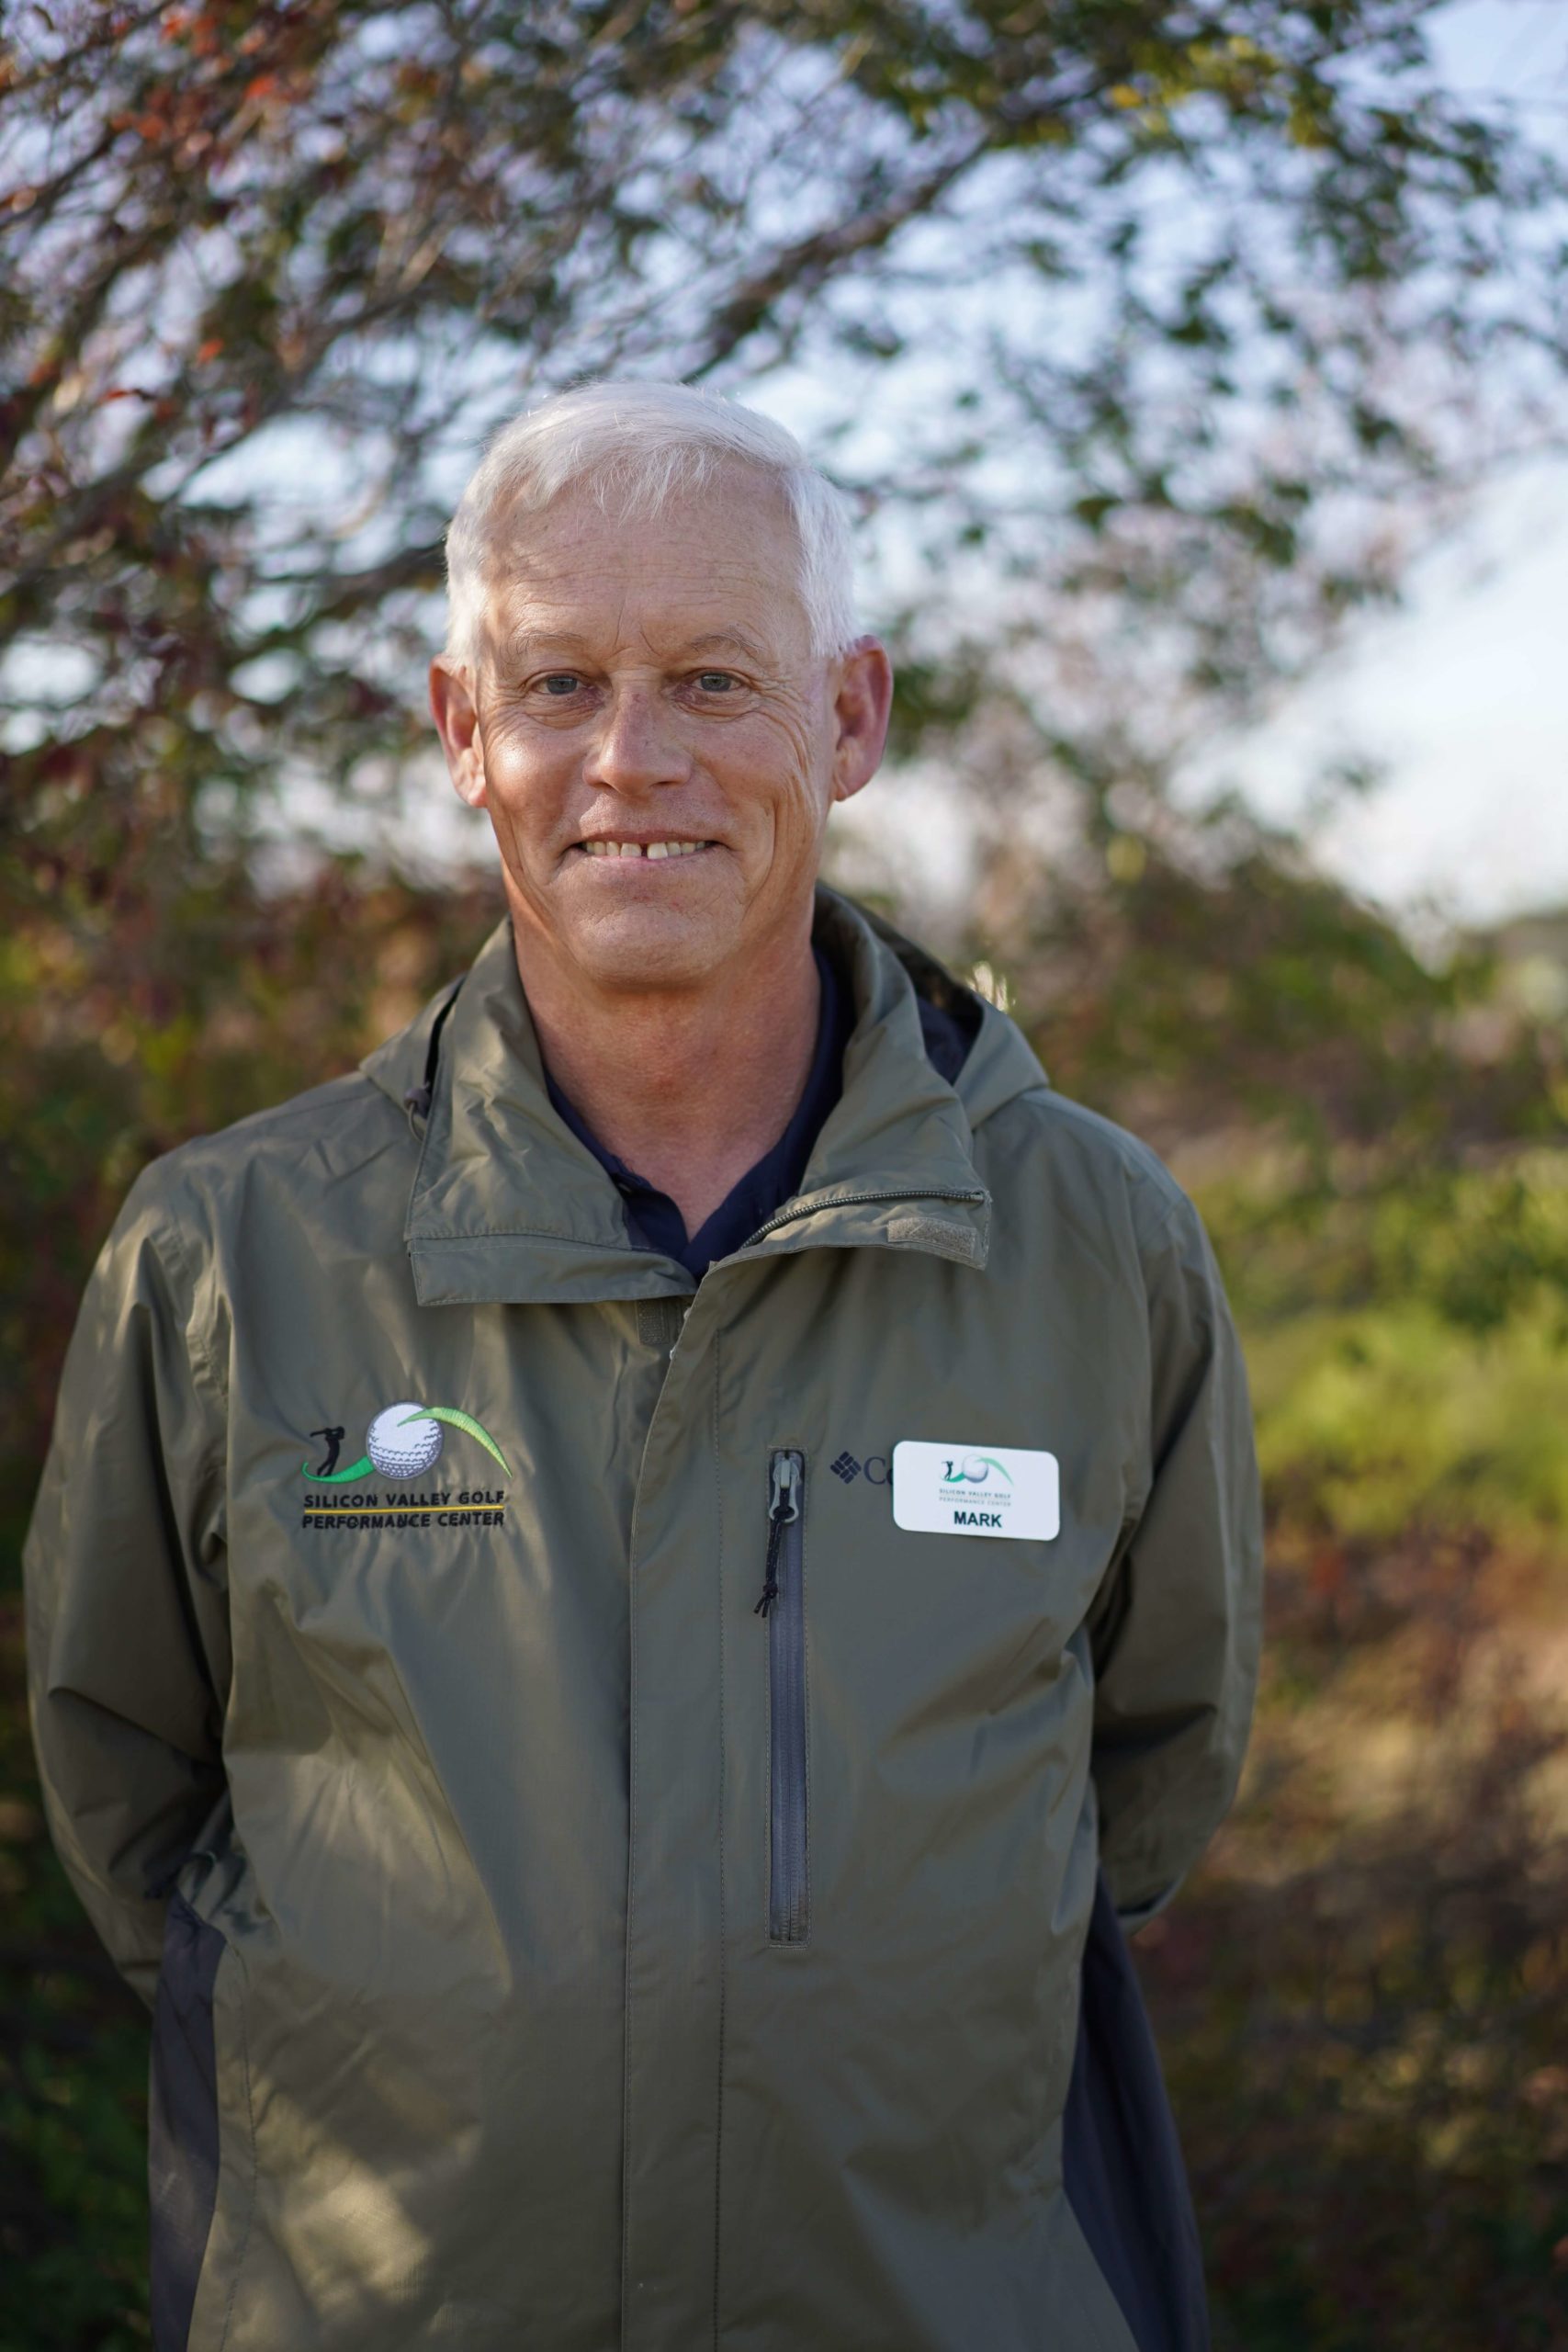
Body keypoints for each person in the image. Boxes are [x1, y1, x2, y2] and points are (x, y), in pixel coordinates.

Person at [25, 381, 1263, 2352]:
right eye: (558, 684)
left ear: (848, 717)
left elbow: (1148, 1784)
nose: (631, 759)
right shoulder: (232, 1255)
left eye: (710, 678)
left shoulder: (1094, 1242)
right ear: (462, 732)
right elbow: (134, 1806)